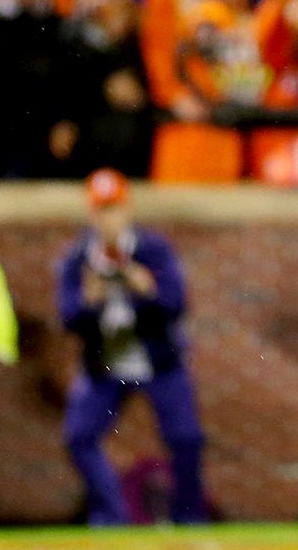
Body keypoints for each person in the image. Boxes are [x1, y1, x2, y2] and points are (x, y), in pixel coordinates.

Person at [56, 169, 207, 526]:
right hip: (106, 362)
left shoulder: (151, 249)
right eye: (101, 210)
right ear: (91, 214)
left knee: (186, 438)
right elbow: (68, 317)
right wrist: (90, 301)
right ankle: (112, 514)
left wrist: (146, 290)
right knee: (79, 436)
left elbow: (176, 303)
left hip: (157, 359)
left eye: (115, 209)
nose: (109, 219)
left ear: (128, 210)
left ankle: (188, 517)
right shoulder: (79, 257)